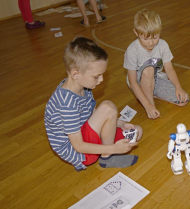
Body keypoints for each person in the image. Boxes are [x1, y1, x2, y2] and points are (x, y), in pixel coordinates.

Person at [45, 37, 143, 171]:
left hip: (87, 134)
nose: (101, 80)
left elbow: (93, 112)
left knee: (137, 131)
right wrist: (114, 148)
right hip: (82, 153)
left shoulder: (82, 86)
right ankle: (107, 157)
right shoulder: (66, 104)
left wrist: (120, 123)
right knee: (108, 107)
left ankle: (106, 149)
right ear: (75, 74)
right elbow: (78, 146)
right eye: (96, 76)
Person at [124, 9, 189, 120]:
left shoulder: (163, 45)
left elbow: (169, 69)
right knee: (149, 69)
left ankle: (151, 93)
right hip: (138, 82)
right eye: (145, 38)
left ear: (160, 31)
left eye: (155, 37)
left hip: (156, 79)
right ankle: (149, 102)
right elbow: (132, 81)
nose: (151, 42)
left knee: (183, 100)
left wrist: (178, 87)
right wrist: (148, 106)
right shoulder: (132, 50)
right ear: (136, 33)